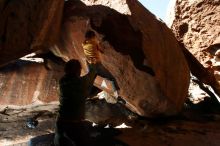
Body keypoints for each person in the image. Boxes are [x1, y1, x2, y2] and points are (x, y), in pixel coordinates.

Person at [54, 59, 97, 146]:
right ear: (77, 70)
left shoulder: (62, 81)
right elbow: (92, 73)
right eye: (80, 69)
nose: (80, 71)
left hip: (61, 122)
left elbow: (81, 94)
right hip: (73, 124)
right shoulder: (79, 82)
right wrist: (91, 62)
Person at [82, 30, 119, 98]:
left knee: (92, 79)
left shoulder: (83, 44)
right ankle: (117, 92)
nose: (95, 37)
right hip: (97, 64)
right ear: (92, 37)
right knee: (110, 77)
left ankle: (88, 94)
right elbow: (101, 51)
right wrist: (101, 43)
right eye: (94, 36)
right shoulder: (94, 43)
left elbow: (92, 44)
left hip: (89, 64)